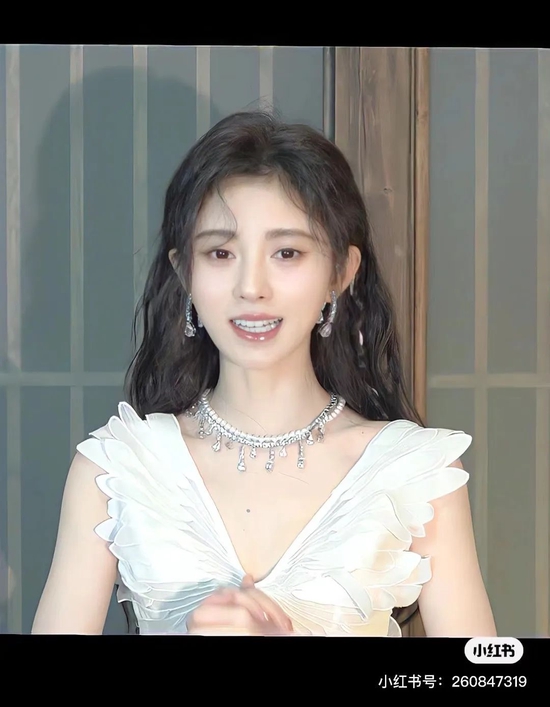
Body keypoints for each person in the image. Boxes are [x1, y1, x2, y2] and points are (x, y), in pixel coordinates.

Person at [32, 110, 496, 637]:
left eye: (287, 252)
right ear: (185, 272)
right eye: (221, 252)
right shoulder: (116, 470)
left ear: (340, 273)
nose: (251, 287)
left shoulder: (416, 473)